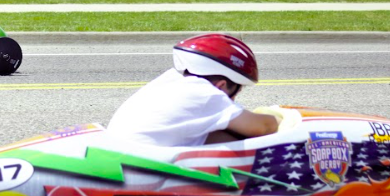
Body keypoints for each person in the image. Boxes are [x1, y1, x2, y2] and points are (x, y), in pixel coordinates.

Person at [106, 33, 280, 147]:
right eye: (236, 92)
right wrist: (284, 117)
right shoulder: (206, 94)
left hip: (123, 158)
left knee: (220, 135)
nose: (233, 100)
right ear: (221, 85)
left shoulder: (172, 79)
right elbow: (264, 127)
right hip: (142, 170)